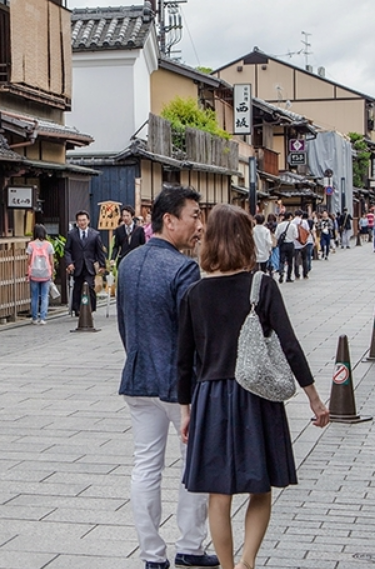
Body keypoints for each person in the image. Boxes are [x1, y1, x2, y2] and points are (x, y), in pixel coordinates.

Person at [177, 204, 329, 569]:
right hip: (255, 396)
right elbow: (290, 345)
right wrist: (314, 398)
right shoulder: (262, 287)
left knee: (219, 491)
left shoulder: (194, 294)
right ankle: (248, 562)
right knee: (260, 485)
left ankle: (228, 568)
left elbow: (183, 362)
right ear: (246, 240)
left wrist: (186, 411)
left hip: (211, 398)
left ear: (210, 241)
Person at [116, 186, 218, 569]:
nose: (200, 226)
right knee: (193, 463)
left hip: (138, 378)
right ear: (169, 220)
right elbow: (193, 335)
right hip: (179, 385)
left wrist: (138, 358)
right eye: (194, 216)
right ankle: (190, 545)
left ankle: (152, 555)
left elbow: (125, 326)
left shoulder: (128, 263)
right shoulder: (183, 268)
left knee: (145, 465)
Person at [64, 211, 106, 316]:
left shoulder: (95, 234)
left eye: (84, 220)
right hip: (77, 265)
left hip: (89, 265)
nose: (82, 222)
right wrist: (69, 263)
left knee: (90, 286)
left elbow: (99, 251)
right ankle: (77, 309)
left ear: (88, 221)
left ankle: (90, 307)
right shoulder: (71, 234)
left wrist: (102, 265)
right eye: (79, 220)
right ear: (77, 222)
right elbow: (67, 250)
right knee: (78, 287)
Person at [26, 224, 54, 325]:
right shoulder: (48, 245)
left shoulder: (31, 245)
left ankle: (34, 318)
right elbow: (51, 260)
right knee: (44, 296)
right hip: (45, 273)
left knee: (34, 296)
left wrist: (27, 271)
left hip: (34, 273)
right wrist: (52, 271)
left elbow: (29, 261)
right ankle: (43, 318)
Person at [274, 212, 297, 283]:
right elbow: (296, 236)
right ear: (290, 217)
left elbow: (276, 235)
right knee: (290, 261)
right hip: (290, 244)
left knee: (282, 260)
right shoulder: (293, 226)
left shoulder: (280, 225)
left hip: (282, 244)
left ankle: (281, 274)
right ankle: (288, 277)